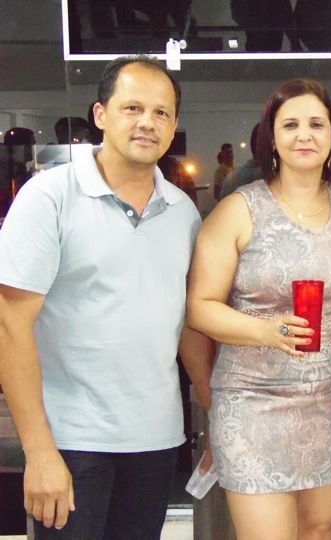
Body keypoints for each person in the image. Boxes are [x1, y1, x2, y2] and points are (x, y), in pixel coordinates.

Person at [0, 55, 207, 538]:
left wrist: (213, 411)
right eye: (133, 108)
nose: (147, 122)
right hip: (71, 442)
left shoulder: (182, 212)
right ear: (100, 114)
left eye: (161, 112)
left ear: (173, 125)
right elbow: (11, 325)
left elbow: (186, 326)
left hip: (155, 440)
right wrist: (39, 452)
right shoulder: (49, 197)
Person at [185, 78, 331, 539]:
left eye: (316, 124)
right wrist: (267, 331)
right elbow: (200, 309)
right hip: (253, 399)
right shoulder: (238, 209)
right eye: (290, 125)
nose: (304, 135)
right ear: (271, 137)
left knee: (321, 528)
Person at [220, 123, 262, 198]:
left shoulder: (234, 173)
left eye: (231, 152)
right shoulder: (222, 172)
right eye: (228, 153)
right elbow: (217, 193)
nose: (231, 155)